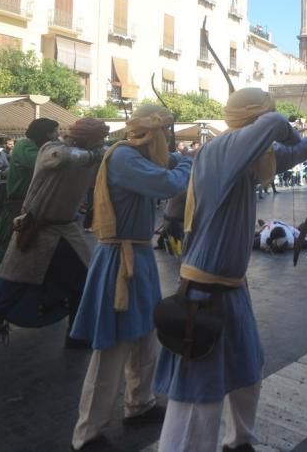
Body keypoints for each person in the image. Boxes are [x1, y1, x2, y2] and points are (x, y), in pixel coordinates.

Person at [152, 88, 307, 452]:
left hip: (231, 287)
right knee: (197, 397)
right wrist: (285, 124)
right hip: (204, 294)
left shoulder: (244, 158)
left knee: (248, 369)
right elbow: (275, 126)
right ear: (254, 119)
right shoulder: (220, 150)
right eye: (264, 114)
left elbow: (285, 154)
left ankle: (240, 441)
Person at [70, 106, 193, 451]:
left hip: (137, 257)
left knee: (144, 336)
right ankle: (86, 434)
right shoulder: (124, 159)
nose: (167, 141)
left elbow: (161, 163)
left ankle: (140, 404)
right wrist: (187, 161)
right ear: (152, 134)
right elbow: (170, 182)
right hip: (118, 260)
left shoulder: (136, 155)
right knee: (111, 348)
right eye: (164, 134)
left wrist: (181, 156)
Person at [0, 118, 110, 389]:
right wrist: (98, 152)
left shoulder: (91, 155)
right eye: (99, 138)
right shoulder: (52, 150)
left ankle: (76, 335)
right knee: (5, 296)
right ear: (88, 139)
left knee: (82, 284)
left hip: (66, 231)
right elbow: (60, 156)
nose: (102, 143)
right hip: (37, 230)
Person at [0, 118, 60, 297]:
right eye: (54, 131)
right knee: (8, 248)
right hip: (18, 205)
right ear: (45, 132)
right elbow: (43, 162)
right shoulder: (25, 145)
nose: (57, 135)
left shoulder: (43, 147)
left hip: (36, 205)